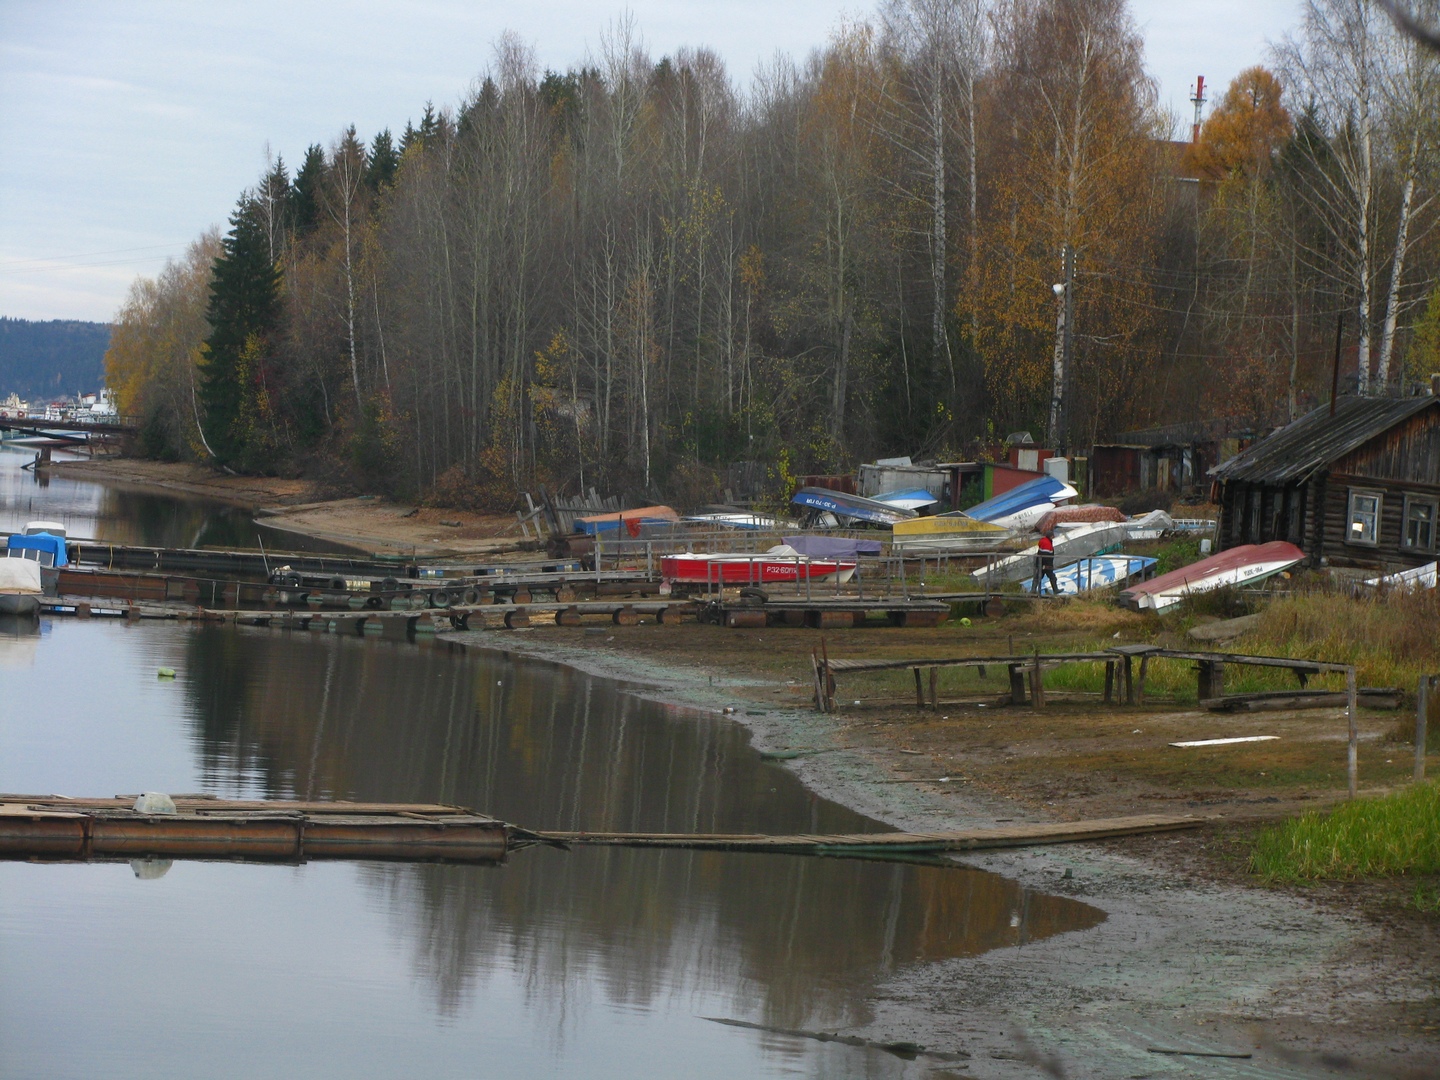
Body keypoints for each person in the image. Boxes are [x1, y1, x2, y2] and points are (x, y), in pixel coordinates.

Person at [1033, 528, 1060, 595]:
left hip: (1040, 563)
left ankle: (1033, 590)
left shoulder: (1043, 541)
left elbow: (1041, 553)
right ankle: (1055, 590)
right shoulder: (1047, 544)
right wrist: (1048, 566)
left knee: (1038, 577)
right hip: (1045, 564)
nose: (1053, 537)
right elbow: (1046, 556)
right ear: (1050, 536)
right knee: (1052, 577)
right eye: (1052, 536)